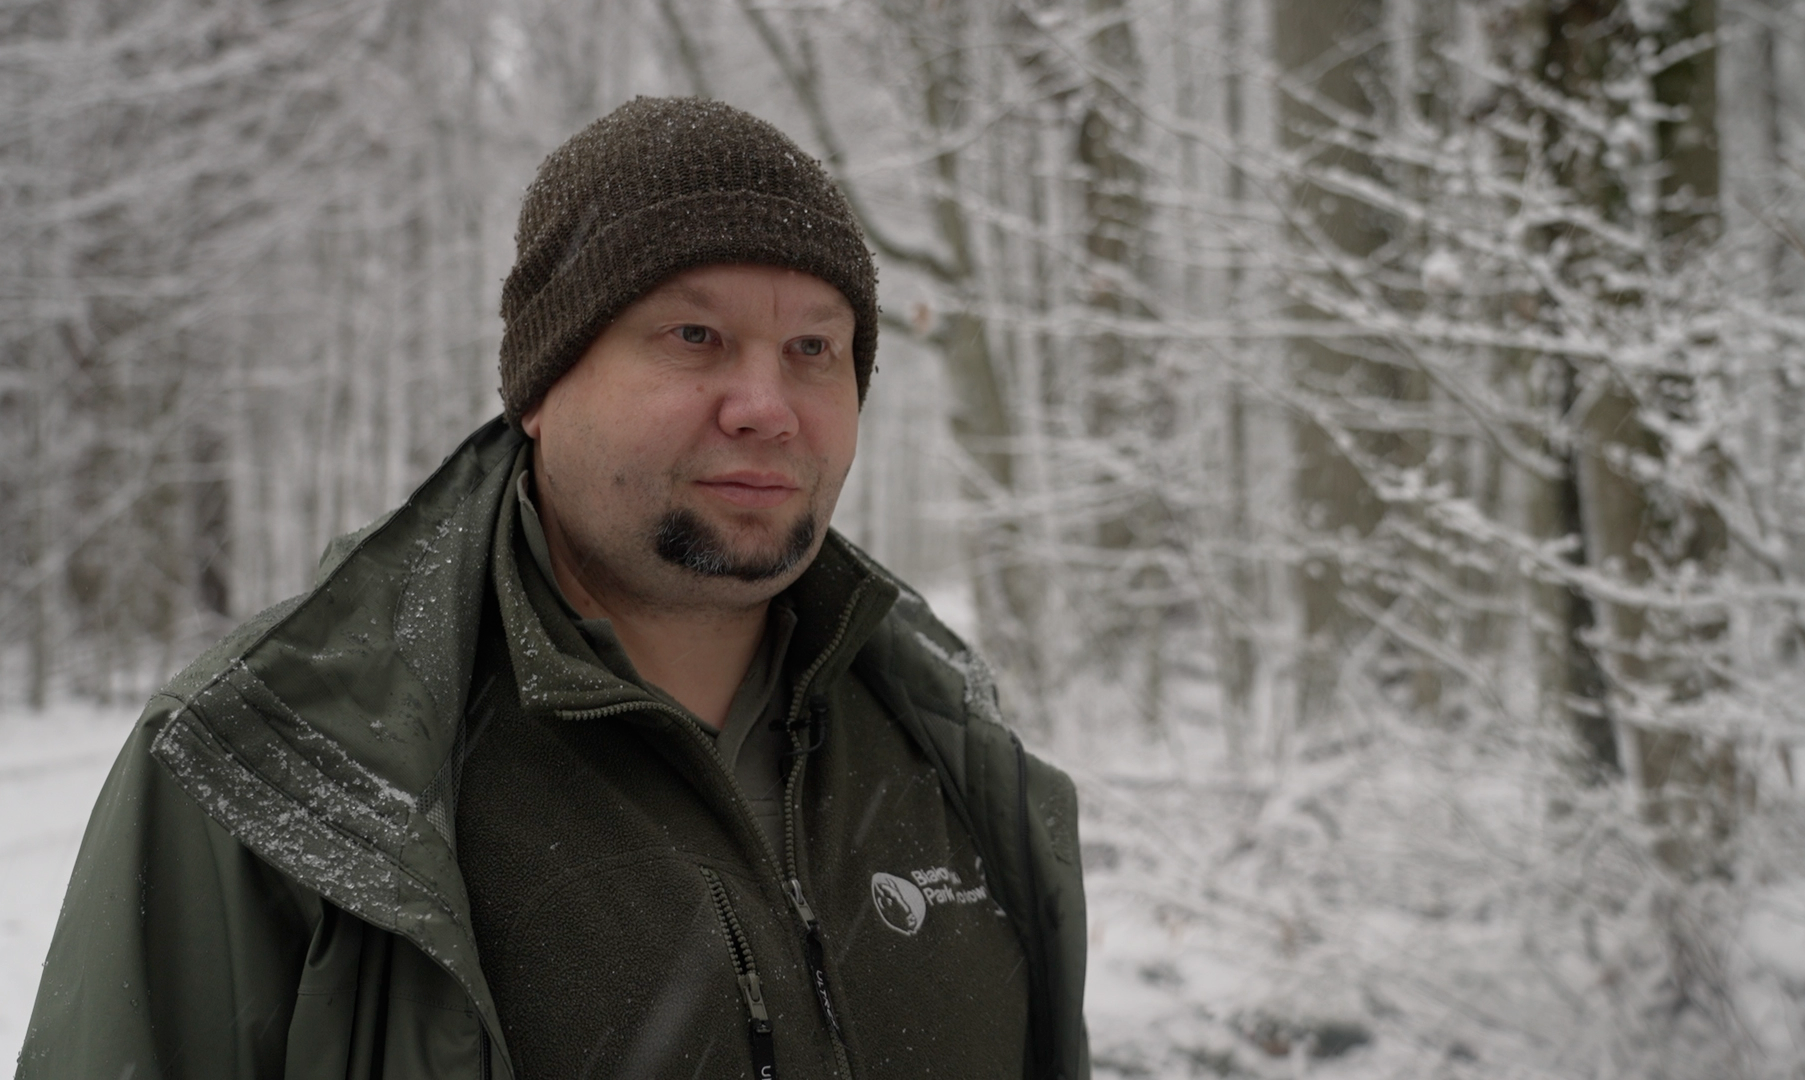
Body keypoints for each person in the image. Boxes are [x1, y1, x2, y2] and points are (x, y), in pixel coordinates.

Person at [16, 97, 1088, 1080]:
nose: (768, 405)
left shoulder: (946, 740)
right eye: (694, 336)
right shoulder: (284, 762)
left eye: (816, 347)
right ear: (542, 386)